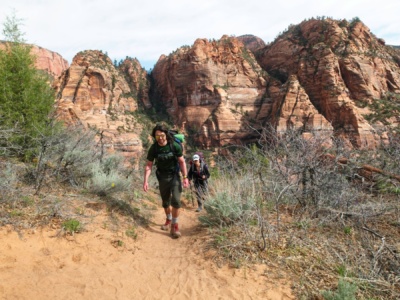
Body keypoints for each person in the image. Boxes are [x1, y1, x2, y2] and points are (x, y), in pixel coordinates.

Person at [143, 124, 189, 238]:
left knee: (177, 201)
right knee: (165, 202)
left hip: (174, 176)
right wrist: (145, 181)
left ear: (166, 135)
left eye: (162, 135)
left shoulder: (174, 146)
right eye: (157, 136)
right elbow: (149, 165)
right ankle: (168, 220)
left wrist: (185, 177)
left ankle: (175, 225)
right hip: (162, 177)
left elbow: (182, 162)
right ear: (155, 137)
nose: (161, 138)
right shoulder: (154, 148)